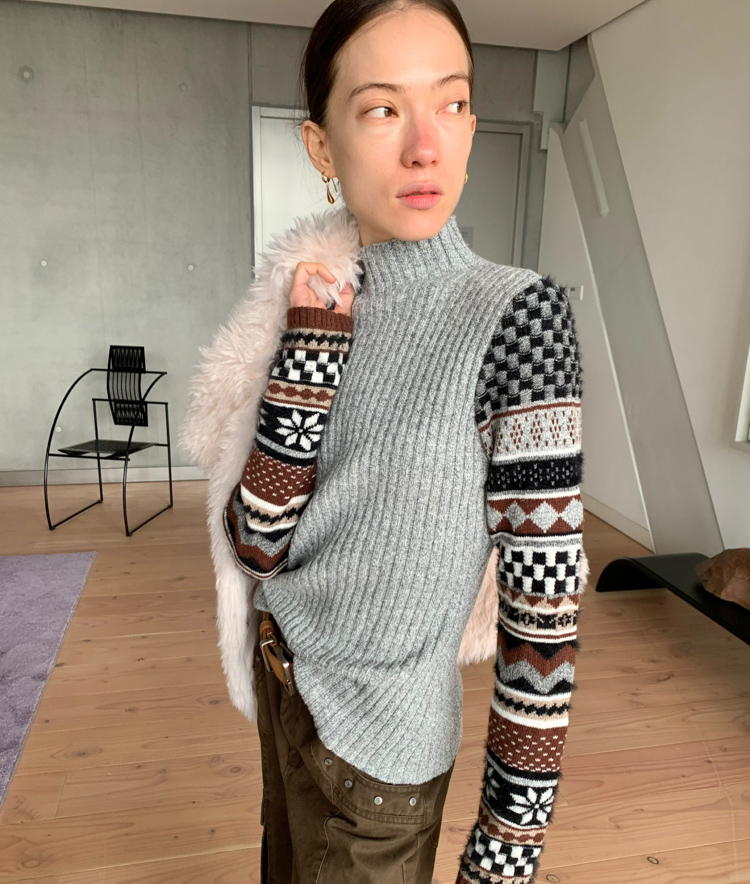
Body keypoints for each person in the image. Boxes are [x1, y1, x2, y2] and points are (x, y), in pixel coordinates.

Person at [222, 1, 585, 882]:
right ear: (322, 147)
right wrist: (307, 355)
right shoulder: (316, 301)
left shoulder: (519, 318)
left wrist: (506, 852)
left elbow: (544, 613)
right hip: (286, 682)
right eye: (383, 108)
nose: (427, 146)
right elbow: (257, 543)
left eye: (451, 104)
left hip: (379, 762)